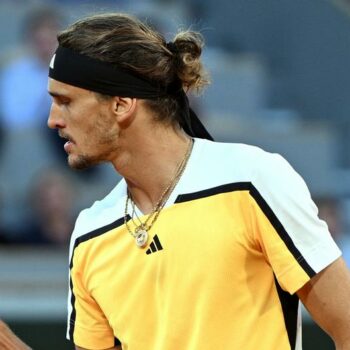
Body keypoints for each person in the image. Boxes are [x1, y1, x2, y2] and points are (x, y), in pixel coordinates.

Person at [1, 12, 350, 350]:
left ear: (121, 104)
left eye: (65, 102)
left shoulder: (251, 180)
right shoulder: (90, 232)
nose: (52, 120)